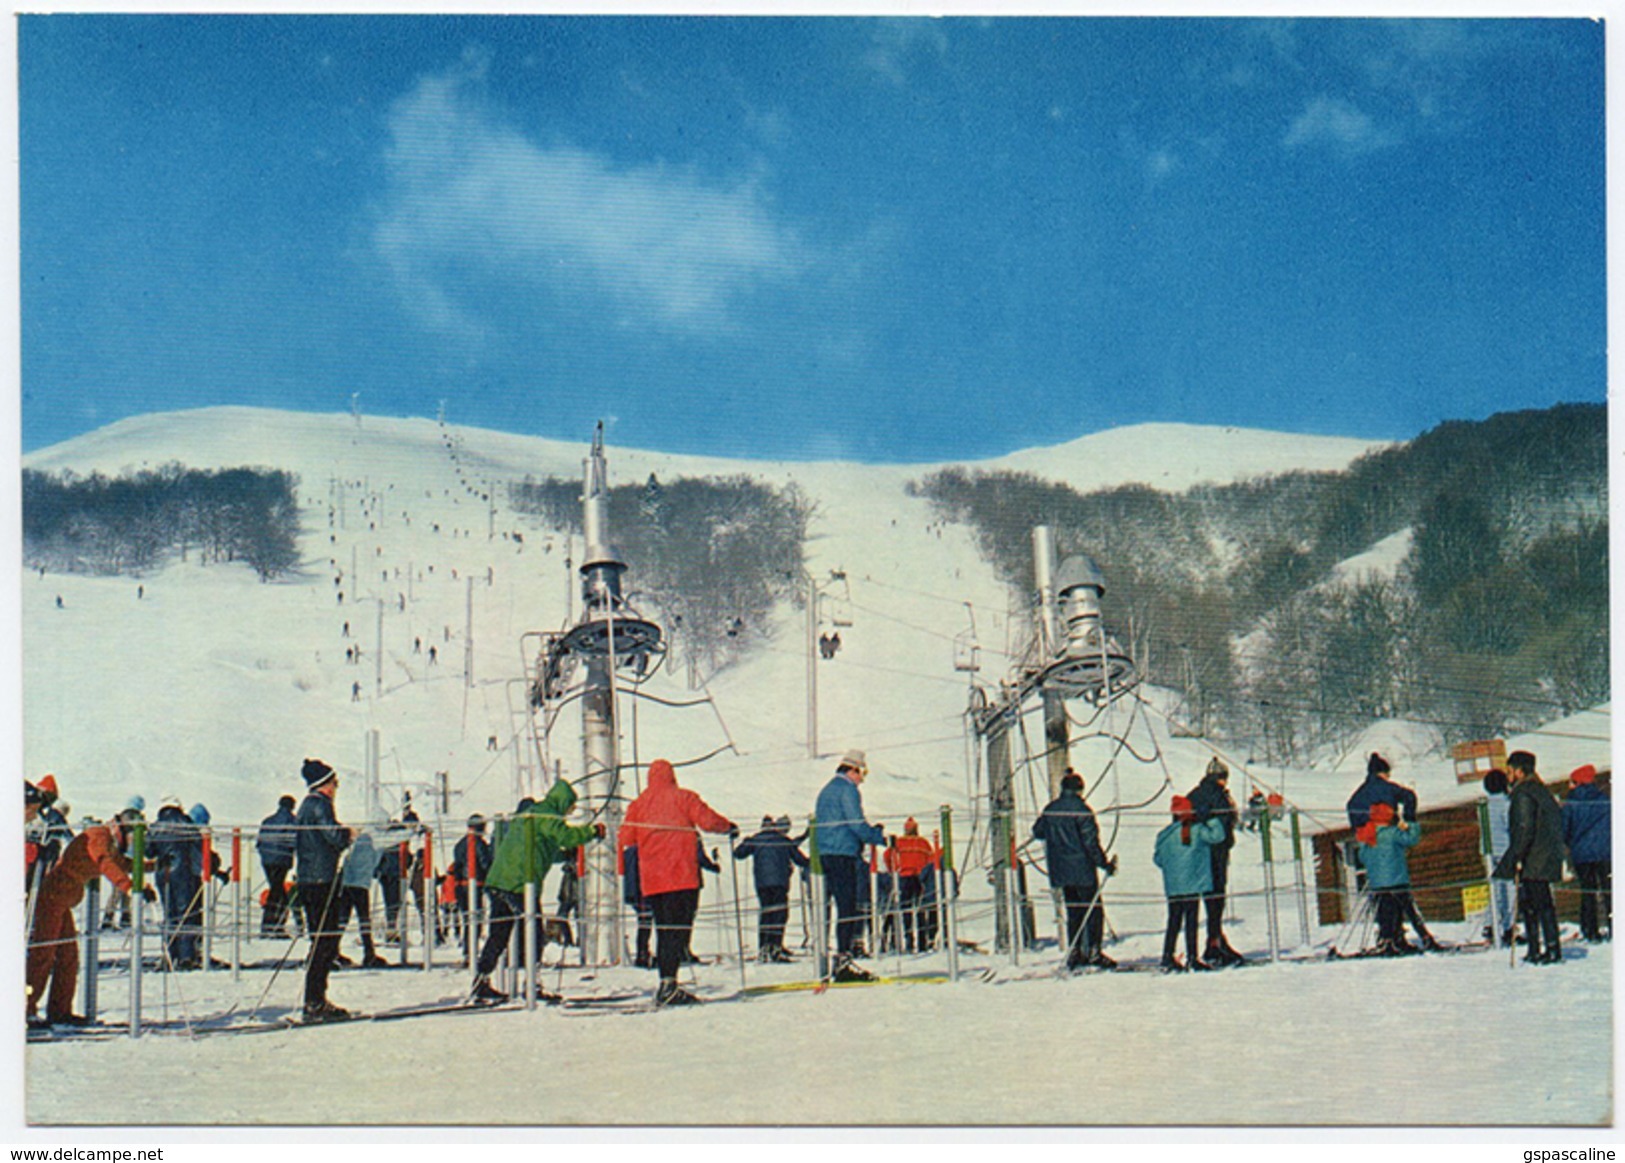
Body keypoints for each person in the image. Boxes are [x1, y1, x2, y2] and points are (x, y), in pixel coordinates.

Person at [471, 779, 602, 1003]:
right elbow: (566, 836)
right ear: (563, 802)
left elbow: (545, 850)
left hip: (500, 881)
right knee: (534, 933)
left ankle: (482, 980)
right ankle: (532, 983)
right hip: (520, 883)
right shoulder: (547, 815)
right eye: (570, 806)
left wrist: (565, 855)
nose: (570, 812)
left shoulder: (535, 814)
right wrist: (592, 831)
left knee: (499, 934)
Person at [620, 759, 734, 1006]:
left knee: (663, 931)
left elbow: (627, 837)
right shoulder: (684, 798)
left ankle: (666, 982)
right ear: (671, 776)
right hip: (681, 876)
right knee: (679, 930)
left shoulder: (638, 805)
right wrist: (728, 828)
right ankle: (671, 985)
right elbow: (708, 821)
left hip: (653, 881)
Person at [28, 809, 151, 1026]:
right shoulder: (98, 836)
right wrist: (128, 887)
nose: (133, 842)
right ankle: (24, 1011)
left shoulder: (108, 842)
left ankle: (60, 1011)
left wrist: (153, 866)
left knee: (68, 957)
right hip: (52, 898)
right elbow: (103, 861)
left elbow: (121, 864)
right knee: (42, 955)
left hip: (62, 900)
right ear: (122, 829)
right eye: (133, 837)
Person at [1032, 770, 1117, 971]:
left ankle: (1075, 951)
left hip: (1061, 870)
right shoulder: (1082, 810)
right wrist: (1104, 864)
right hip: (1083, 869)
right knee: (1093, 910)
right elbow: (1090, 843)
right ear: (1079, 789)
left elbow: (1038, 831)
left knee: (1074, 911)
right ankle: (1094, 951)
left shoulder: (1051, 809)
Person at [813, 750, 886, 982]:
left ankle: (835, 958)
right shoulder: (847, 790)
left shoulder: (827, 790)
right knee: (848, 907)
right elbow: (856, 823)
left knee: (836, 906)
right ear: (852, 769)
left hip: (826, 852)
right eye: (861, 773)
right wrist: (877, 836)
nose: (861, 779)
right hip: (842, 853)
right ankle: (843, 959)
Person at [1493, 750, 1568, 965]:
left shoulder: (1523, 793)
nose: (1508, 776)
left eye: (1510, 771)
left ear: (1518, 771)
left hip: (1533, 857)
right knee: (1541, 903)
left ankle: (1541, 949)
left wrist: (1514, 858)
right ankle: (1548, 947)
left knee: (1534, 904)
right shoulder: (1542, 791)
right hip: (1546, 854)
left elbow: (1523, 829)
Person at [295, 758, 355, 1021]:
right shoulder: (320, 805)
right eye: (334, 783)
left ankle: (315, 998)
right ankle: (315, 1001)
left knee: (320, 940)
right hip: (322, 880)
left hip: (308, 878)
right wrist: (347, 834)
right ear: (325, 785)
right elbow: (332, 836)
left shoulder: (305, 806)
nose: (336, 788)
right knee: (326, 940)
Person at [1153, 796, 1225, 972]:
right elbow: (1218, 836)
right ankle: (1192, 957)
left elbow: (1158, 859)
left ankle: (1167, 956)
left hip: (1173, 885)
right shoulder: (1198, 830)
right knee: (1191, 920)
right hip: (1193, 883)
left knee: (1173, 920)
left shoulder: (1164, 834)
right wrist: (1211, 818)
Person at [1187, 757, 1243, 966]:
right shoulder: (1219, 797)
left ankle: (1211, 942)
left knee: (1198, 901)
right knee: (1216, 900)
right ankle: (1214, 942)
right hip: (1216, 854)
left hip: (1195, 855)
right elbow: (1224, 824)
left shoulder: (1193, 795)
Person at [734, 815, 809, 962]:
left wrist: (745, 841)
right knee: (779, 915)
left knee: (766, 913)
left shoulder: (756, 839)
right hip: (780, 882)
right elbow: (800, 859)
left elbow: (738, 854)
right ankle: (775, 947)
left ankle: (764, 947)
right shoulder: (782, 840)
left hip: (762, 883)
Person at [1359, 802, 1422, 956]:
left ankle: (1386, 939)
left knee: (1384, 912)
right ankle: (1404, 939)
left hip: (1377, 883)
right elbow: (1411, 839)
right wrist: (1411, 825)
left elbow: (1362, 856)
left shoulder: (1368, 834)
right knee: (1403, 910)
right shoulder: (1392, 833)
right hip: (1396, 879)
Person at [148, 796, 204, 970]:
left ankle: (170, 954)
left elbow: (148, 851)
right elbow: (199, 847)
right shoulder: (186, 823)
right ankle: (187, 955)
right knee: (186, 913)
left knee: (169, 913)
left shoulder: (155, 826)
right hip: (184, 872)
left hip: (163, 873)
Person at [1562, 764, 1611, 943]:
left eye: (1572, 782)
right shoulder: (1604, 799)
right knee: (1608, 890)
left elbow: (1564, 829)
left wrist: (1571, 844)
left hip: (1581, 854)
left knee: (1588, 891)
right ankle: (1614, 927)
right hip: (1606, 852)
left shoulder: (1571, 803)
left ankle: (1591, 930)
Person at [338, 828, 388, 968]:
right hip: (360, 886)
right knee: (364, 920)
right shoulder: (373, 846)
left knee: (342, 919)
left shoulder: (356, 846)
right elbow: (374, 865)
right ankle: (369, 953)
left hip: (347, 884)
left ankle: (334, 951)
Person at [885, 818, 936, 954]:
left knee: (905, 909)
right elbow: (931, 860)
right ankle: (922, 942)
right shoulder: (923, 843)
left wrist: (892, 870)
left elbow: (888, 856)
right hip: (919, 878)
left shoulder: (899, 843)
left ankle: (908, 938)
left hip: (904, 877)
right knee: (920, 909)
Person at [256, 794, 298, 939]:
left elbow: (259, 842)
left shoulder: (268, 820)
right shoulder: (293, 821)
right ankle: (272, 927)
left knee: (276, 891)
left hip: (267, 860)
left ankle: (271, 926)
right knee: (277, 893)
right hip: (281, 860)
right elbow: (295, 841)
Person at [449, 815, 493, 952]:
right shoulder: (478, 843)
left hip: (460, 886)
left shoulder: (460, 844)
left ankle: (468, 948)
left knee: (467, 920)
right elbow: (485, 863)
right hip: (475, 884)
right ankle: (471, 949)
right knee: (476, 919)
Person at [1483, 768, 1516, 945]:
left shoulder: (1484, 804)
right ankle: (1509, 927)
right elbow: (1510, 827)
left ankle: (1490, 923)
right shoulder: (1506, 804)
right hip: (1505, 850)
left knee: (1494, 889)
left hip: (1488, 851)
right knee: (1509, 889)